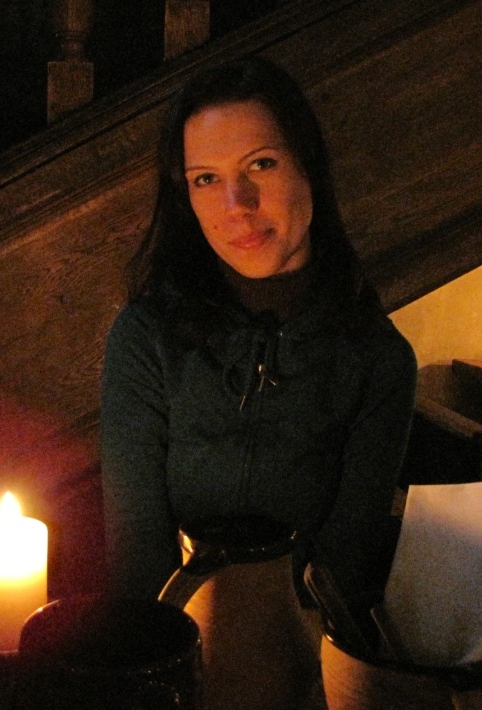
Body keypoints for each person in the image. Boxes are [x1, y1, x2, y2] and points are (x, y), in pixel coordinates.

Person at [100, 56, 417, 613]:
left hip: (308, 648)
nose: (237, 206)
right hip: (172, 643)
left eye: (261, 164)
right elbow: (139, 559)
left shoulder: (378, 361)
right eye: (206, 179)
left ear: (308, 168)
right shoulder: (146, 339)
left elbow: (344, 569)